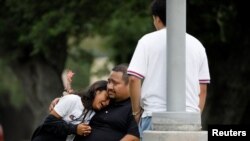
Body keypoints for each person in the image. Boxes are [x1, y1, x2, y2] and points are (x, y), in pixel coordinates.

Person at [127, 0, 211, 139]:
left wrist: (136, 113)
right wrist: (195, 116)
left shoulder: (147, 41)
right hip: (189, 118)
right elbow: (202, 89)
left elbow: (134, 78)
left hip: (153, 115)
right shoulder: (197, 45)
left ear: (157, 18)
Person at [73, 64, 140, 141]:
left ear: (129, 85)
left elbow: (133, 137)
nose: (109, 87)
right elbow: (85, 97)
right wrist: (63, 98)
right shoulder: (104, 101)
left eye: (115, 83)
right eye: (109, 82)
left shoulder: (134, 108)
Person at [31, 79, 110, 141]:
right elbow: (49, 123)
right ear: (97, 91)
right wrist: (74, 129)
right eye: (106, 97)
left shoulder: (93, 113)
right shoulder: (72, 100)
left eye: (110, 102)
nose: (107, 103)